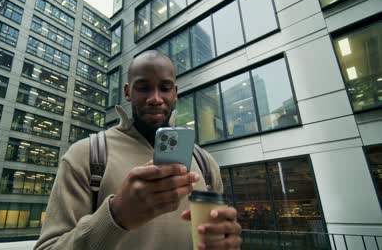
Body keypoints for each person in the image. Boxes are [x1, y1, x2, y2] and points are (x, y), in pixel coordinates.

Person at [34, 50, 242, 250]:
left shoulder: (206, 163)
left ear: (175, 93)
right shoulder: (85, 155)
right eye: (143, 88)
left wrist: (227, 242)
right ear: (127, 92)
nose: (155, 98)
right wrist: (116, 215)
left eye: (165, 87)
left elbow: (218, 236)